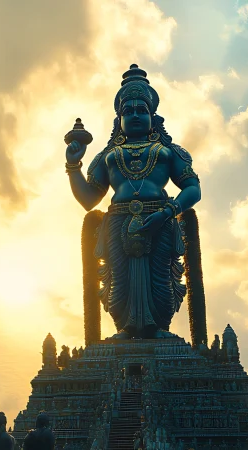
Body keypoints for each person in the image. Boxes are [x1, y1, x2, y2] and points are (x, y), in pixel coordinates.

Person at [65, 64, 202, 340]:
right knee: (120, 279)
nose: (136, 115)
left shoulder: (167, 151)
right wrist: (73, 165)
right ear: (119, 119)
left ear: (153, 116)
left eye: (143, 110)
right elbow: (89, 199)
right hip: (118, 221)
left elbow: (193, 188)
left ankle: (158, 327)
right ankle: (125, 328)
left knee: (160, 276)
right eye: (129, 111)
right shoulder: (109, 155)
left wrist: (169, 211)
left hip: (160, 218)